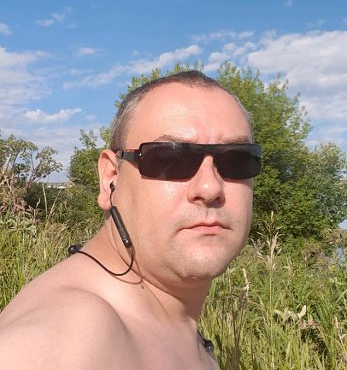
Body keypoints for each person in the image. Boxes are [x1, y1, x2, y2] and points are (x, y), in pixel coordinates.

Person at [0, 71, 261, 369]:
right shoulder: (71, 337)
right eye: (170, 159)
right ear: (110, 178)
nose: (210, 188)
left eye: (236, 160)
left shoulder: (161, 317)